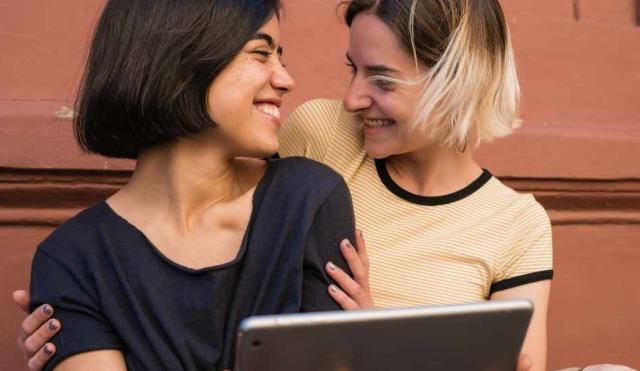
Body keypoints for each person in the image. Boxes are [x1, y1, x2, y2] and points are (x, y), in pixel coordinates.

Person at [15, 0, 552, 370]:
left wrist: (366, 343)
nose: (351, 99)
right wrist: (72, 325)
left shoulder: (514, 224)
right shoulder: (320, 137)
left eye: (382, 79)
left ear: (460, 82)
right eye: (352, 70)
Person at [15, 0, 355, 370]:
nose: (285, 80)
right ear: (180, 60)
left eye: (280, 58)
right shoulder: (73, 257)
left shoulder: (307, 200)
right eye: (260, 54)